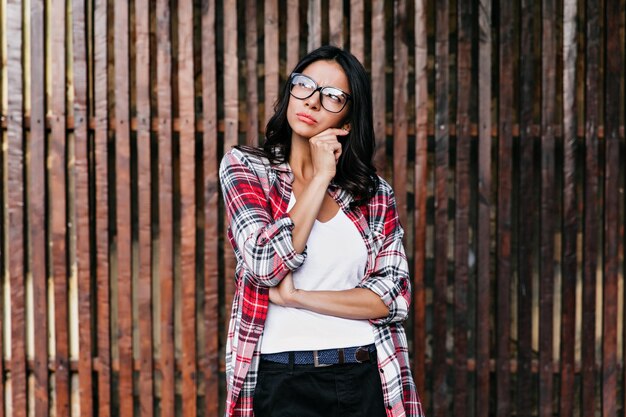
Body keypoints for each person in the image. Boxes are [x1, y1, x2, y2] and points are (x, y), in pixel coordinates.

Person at [219, 45, 424, 417]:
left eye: (332, 96)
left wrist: (299, 297)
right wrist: (320, 178)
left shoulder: (373, 193)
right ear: (290, 93)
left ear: (347, 121)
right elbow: (264, 264)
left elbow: (393, 298)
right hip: (282, 379)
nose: (312, 102)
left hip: (366, 375)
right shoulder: (246, 168)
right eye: (305, 86)